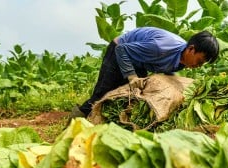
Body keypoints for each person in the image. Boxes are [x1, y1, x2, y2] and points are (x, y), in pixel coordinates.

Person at [69, 26, 219, 119]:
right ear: (191, 49)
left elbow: (165, 73)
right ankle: (74, 122)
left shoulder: (182, 61)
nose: (199, 66)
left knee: (133, 95)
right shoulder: (161, 48)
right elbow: (122, 50)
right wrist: (131, 75)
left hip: (139, 60)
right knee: (102, 93)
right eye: (199, 61)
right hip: (119, 50)